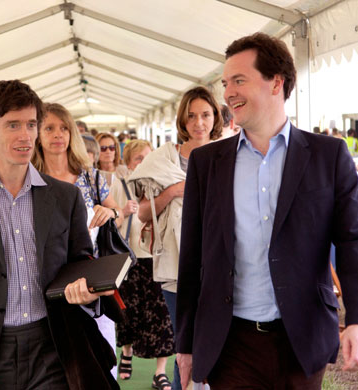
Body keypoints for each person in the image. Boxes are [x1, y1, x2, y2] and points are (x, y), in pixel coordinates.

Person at [176, 33, 358, 389]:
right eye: (226, 83)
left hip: (301, 339)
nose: (228, 93)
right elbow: (192, 257)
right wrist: (187, 342)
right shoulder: (207, 162)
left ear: (276, 83)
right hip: (229, 342)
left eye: (239, 80)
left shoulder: (328, 156)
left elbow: (357, 239)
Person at [0, 81, 119, 390]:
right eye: (14, 125)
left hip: (53, 346)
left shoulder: (65, 197)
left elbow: (80, 265)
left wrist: (87, 295)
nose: (25, 135)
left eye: (31, 124)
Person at [129, 85, 223, 390]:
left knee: (216, 338)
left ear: (215, 117)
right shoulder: (164, 159)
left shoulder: (227, 154)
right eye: (192, 115)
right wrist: (171, 193)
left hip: (218, 262)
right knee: (185, 344)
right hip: (175, 266)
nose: (199, 123)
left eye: (206, 115)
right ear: (183, 120)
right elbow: (143, 214)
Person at [31, 102, 123, 378]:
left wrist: (109, 212)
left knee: (101, 362)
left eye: (63, 128)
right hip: (43, 282)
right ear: (37, 134)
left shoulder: (90, 177)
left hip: (91, 278)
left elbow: (116, 213)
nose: (58, 134)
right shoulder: (28, 178)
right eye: (49, 128)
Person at [110, 139, 176, 389]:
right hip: (129, 259)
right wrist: (124, 212)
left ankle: (160, 372)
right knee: (128, 312)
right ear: (128, 163)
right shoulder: (121, 186)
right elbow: (111, 225)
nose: (145, 163)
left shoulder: (162, 184)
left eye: (149, 157)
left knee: (162, 315)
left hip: (159, 258)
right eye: (139, 159)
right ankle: (127, 353)